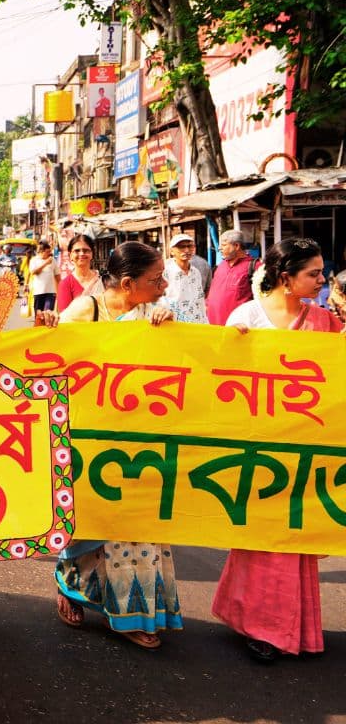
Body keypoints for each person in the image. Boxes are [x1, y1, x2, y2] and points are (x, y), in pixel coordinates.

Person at [44, 241, 182, 650]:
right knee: (88, 522)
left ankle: (132, 612)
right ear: (127, 283)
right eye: (156, 279)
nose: (163, 286)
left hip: (138, 440)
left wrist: (170, 329)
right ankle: (69, 589)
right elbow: (53, 361)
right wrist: (49, 328)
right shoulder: (85, 311)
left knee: (136, 527)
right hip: (88, 438)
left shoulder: (150, 316)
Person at [213, 237, 341, 663]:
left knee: (295, 535)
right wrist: (230, 344)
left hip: (305, 449)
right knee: (262, 535)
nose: (322, 280)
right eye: (313, 273)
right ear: (286, 277)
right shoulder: (246, 317)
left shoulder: (324, 321)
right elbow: (221, 377)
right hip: (258, 449)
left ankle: (291, 626)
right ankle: (260, 625)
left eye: (322, 272)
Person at [206, 229, 256, 325]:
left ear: (236, 246)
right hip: (213, 326)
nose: (219, 248)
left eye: (224, 245)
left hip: (238, 327)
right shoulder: (221, 266)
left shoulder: (255, 267)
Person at [162, 233, 208, 323]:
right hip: (175, 323)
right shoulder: (165, 272)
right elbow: (158, 298)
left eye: (189, 246)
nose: (186, 250)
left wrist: (205, 321)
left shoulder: (196, 272)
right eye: (181, 247)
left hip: (196, 323)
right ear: (172, 251)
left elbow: (200, 299)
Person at [56, 234, 103, 312]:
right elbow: (65, 315)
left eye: (86, 250)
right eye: (77, 251)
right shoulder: (66, 284)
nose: (81, 254)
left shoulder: (102, 280)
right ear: (70, 255)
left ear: (92, 254)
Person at [28, 240, 59, 315]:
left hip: (51, 292)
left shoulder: (53, 261)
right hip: (39, 292)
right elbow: (34, 272)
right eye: (47, 252)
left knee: (48, 314)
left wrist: (59, 290)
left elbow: (57, 275)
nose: (49, 254)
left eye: (50, 251)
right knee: (39, 315)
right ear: (42, 252)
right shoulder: (34, 260)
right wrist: (46, 263)